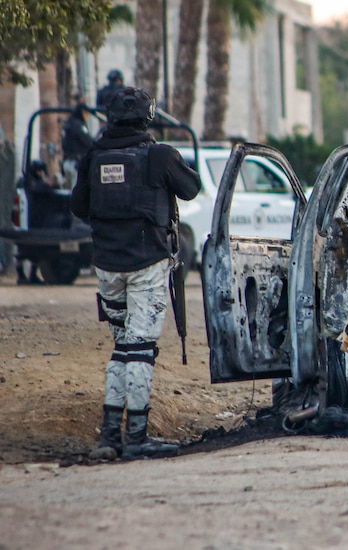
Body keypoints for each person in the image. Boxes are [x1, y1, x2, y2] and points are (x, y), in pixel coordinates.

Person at [71, 86, 201, 461]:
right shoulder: (159, 156)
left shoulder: (93, 155)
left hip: (107, 267)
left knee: (122, 347)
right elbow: (191, 189)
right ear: (149, 116)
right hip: (147, 265)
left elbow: (79, 206)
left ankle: (110, 436)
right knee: (141, 349)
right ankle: (138, 436)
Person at [61, 97, 95, 189]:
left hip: (68, 162)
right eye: (86, 113)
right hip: (76, 163)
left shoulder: (68, 124)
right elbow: (88, 142)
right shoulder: (78, 125)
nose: (87, 116)